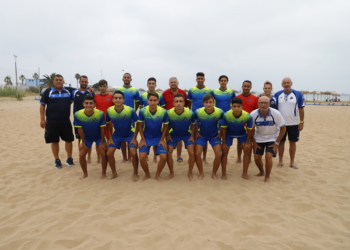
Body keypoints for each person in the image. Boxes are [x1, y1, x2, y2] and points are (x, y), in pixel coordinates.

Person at [39, 74, 75, 169]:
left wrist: (90, 89)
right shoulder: (48, 91)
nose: (58, 81)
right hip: (52, 122)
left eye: (60, 80)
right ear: (53, 82)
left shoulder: (68, 91)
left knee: (69, 140)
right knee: (54, 141)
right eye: (56, 80)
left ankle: (69, 159)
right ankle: (57, 160)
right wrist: (42, 119)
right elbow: (42, 105)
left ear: (63, 81)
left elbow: (80, 91)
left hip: (65, 121)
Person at [250, 96, 286, 183]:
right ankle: (262, 171)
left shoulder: (276, 113)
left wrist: (276, 143)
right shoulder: (253, 114)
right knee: (257, 157)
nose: (263, 105)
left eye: (265, 103)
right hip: (259, 137)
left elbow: (283, 128)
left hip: (272, 137)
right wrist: (254, 143)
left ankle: (267, 176)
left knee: (268, 156)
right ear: (258, 104)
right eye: (261, 103)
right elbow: (250, 130)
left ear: (269, 104)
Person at [106, 91, 139, 181]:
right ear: (113, 100)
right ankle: (114, 173)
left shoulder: (130, 110)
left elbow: (138, 123)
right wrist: (110, 138)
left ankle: (135, 172)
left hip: (130, 134)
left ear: (123, 100)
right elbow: (108, 124)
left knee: (133, 153)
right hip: (117, 134)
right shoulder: (109, 110)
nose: (118, 100)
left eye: (120, 98)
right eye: (116, 98)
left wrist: (135, 138)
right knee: (109, 153)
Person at [273, 77, 305, 169]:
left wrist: (301, 122)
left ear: (291, 83)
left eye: (288, 82)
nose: (286, 84)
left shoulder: (297, 94)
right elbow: (270, 102)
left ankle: (292, 162)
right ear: (282, 84)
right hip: (281, 124)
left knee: (292, 142)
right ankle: (280, 161)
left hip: (294, 123)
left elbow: (301, 108)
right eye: (284, 83)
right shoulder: (278, 94)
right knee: (281, 142)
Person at [136, 92, 169, 181]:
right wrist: (142, 139)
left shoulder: (163, 111)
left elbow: (165, 126)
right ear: (147, 101)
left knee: (163, 157)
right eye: (151, 100)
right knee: (142, 157)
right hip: (146, 137)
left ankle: (158, 175)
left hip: (158, 137)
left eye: (155, 100)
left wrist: (162, 139)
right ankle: (147, 174)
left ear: (158, 101)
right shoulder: (143, 111)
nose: (153, 102)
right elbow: (139, 125)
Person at [74, 95, 107, 180]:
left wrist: (102, 142)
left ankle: (103, 173)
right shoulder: (78, 114)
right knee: (81, 154)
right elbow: (80, 129)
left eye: (91, 103)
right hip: (87, 137)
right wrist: (83, 143)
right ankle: (85, 174)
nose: (88, 105)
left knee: (103, 153)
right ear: (83, 104)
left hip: (98, 136)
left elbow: (102, 128)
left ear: (94, 104)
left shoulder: (100, 113)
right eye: (86, 103)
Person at [221, 97, 253, 180]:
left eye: (238, 106)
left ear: (242, 107)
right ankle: (223, 173)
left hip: (241, 134)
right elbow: (223, 129)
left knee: (247, 150)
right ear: (231, 107)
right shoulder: (226, 115)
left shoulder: (247, 116)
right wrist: (223, 142)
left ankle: (245, 173)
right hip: (229, 134)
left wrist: (247, 142)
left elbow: (249, 130)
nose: (236, 108)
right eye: (234, 106)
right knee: (224, 150)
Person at [193, 94, 224, 180]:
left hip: (214, 136)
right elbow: (193, 121)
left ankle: (214, 173)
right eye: (207, 102)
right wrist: (197, 132)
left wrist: (220, 133)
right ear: (203, 103)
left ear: (213, 102)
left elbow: (224, 123)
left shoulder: (220, 112)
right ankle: (201, 173)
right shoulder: (198, 111)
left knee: (218, 154)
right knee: (197, 153)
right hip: (202, 135)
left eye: (210, 102)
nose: (209, 104)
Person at [166, 93, 196, 181]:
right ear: (173, 103)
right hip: (173, 134)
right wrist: (167, 135)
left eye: (181, 101)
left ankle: (190, 173)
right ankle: (171, 173)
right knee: (169, 152)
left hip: (187, 134)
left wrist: (192, 136)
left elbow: (194, 124)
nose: (179, 103)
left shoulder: (190, 113)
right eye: (177, 101)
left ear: (184, 103)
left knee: (191, 152)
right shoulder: (168, 113)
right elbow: (166, 126)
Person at [188, 72, 213, 164]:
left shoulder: (209, 90)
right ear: (196, 79)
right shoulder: (191, 90)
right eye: (198, 78)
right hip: (195, 117)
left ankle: (204, 157)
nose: (200, 80)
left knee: (204, 137)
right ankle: (194, 156)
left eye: (201, 78)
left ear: (204, 79)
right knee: (194, 136)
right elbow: (189, 104)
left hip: (205, 117)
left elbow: (211, 103)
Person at [115, 73, 141, 163]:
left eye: (128, 77)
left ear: (131, 79)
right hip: (119, 117)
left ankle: (130, 157)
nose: (126, 79)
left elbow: (137, 102)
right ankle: (124, 157)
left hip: (130, 117)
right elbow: (115, 101)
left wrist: (132, 111)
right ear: (122, 79)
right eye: (125, 77)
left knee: (130, 137)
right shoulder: (118, 89)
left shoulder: (135, 90)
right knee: (122, 137)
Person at [162, 77, 188, 163]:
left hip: (180, 117)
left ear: (178, 83)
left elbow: (187, 105)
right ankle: (166, 153)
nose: (173, 83)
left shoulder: (183, 93)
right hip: (168, 117)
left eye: (175, 82)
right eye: (171, 82)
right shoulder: (165, 93)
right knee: (166, 134)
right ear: (169, 84)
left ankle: (179, 155)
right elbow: (162, 106)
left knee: (179, 136)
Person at [139, 77, 165, 163]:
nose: (151, 85)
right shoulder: (143, 95)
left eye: (153, 83)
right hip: (146, 117)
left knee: (156, 133)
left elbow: (162, 107)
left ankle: (155, 156)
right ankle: (146, 154)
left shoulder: (160, 95)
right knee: (147, 132)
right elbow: (141, 107)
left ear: (155, 85)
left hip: (157, 118)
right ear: (147, 85)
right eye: (149, 83)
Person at [72, 75, 95, 163]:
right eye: (82, 81)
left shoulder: (90, 92)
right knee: (80, 139)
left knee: (88, 138)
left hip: (89, 120)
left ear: (87, 83)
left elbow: (94, 104)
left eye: (85, 82)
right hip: (78, 119)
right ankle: (82, 155)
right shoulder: (74, 92)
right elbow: (69, 102)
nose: (84, 83)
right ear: (79, 82)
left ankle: (89, 157)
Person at [236, 80, 259, 163]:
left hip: (251, 123)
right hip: (239, 123)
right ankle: (239, 157)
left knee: (250, 140)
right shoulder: (237, 97)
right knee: (239, 141)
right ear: (242, 87)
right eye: (245, 86)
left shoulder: (255, 98)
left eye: (248, 86)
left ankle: (249, 158)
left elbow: (257, 111)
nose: (246, 88)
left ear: (250, 87)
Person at [94, 79, 114, 163]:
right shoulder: (95, 97)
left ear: (106, 87)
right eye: (101, 86)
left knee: (109, 138)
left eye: (104, 86)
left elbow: (113, 109)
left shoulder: (110, 97)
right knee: (99, 140)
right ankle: (99, 157)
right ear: (99, 87)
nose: (102, 88)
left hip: (109, 122)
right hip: (99, 122)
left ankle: (109, 155)